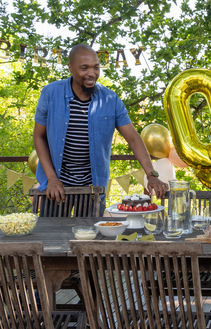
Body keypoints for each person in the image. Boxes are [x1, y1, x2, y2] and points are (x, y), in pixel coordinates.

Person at [33, 44, 168, 212]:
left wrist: (151, 175)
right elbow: (39, 136)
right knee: (53, 237)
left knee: (90, 237)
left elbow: (134, 139)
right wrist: (51, 178)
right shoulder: (50, 94)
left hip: (92, 189)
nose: (92, 73)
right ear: (70, 68)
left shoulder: (111, 99)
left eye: (96, 67)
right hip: (56, 186)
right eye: (84, 68)